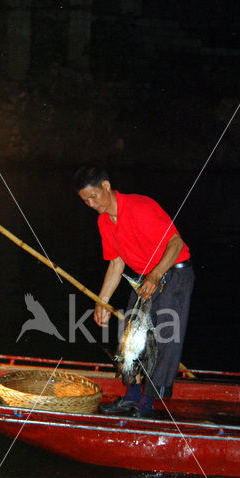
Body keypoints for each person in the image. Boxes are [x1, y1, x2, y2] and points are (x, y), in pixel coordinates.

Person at [74, 165, 194, 418]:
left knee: (163, 338)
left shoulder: (139, 208)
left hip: (173, 273)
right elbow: (116, 263)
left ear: (106, 186)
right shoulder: (104, 221)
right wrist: (101, 301)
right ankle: (130, 397)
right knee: (130, 335)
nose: (92, 204)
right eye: (85, 201)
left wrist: (156, 274)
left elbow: (176, 242)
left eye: (94, 196)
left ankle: (147, 405)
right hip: (144, 278)